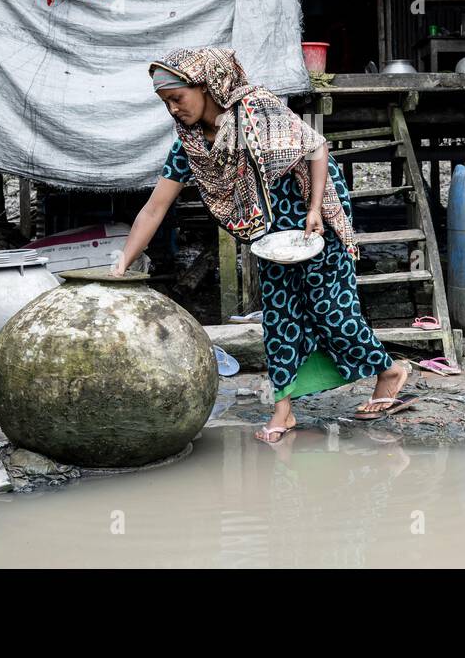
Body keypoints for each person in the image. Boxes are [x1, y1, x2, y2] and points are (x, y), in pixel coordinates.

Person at [110, 47, 414, 443]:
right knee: (280, 315)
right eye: (165, 102)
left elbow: (316, 147)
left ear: (206, 86)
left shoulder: (256, 109)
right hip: (269, 234)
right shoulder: (191, 144)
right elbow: (155, 208)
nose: (172, 110)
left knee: (330, 309)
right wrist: (122, 266)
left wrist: (315, 209)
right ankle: (283, 410)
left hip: (313, 212)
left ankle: (389, 371)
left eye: (177, 98)